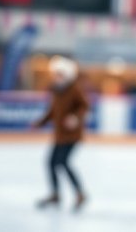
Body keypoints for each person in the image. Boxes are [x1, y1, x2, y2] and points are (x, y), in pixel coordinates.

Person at [31, 55, 89, 211]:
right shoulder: (56, 90)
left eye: (60, 74)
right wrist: (39, 123)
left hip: (72, 136)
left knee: (62, 162)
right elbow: (52, 111)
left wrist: (75, 117)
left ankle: (80, 193)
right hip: (59, 135)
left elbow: (84, 106)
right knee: (51, 163)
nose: (57, 77)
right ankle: (55, 194)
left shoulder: (74, 89)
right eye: (56, 74)